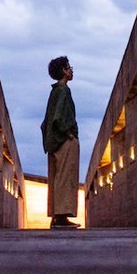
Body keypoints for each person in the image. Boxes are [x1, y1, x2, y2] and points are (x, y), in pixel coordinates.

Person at [41, 55, 79, 229]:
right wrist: (68, 133)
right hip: (64, 140)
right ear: (64, 70)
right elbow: (58, 117)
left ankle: (57, 216)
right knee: (66, 177)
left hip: (53, 142)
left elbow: (47, 120)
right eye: (69, 67)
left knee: (57, 178)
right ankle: (62, 217)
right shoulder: (63, 90)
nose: (71, 70)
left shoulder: (54, 91)